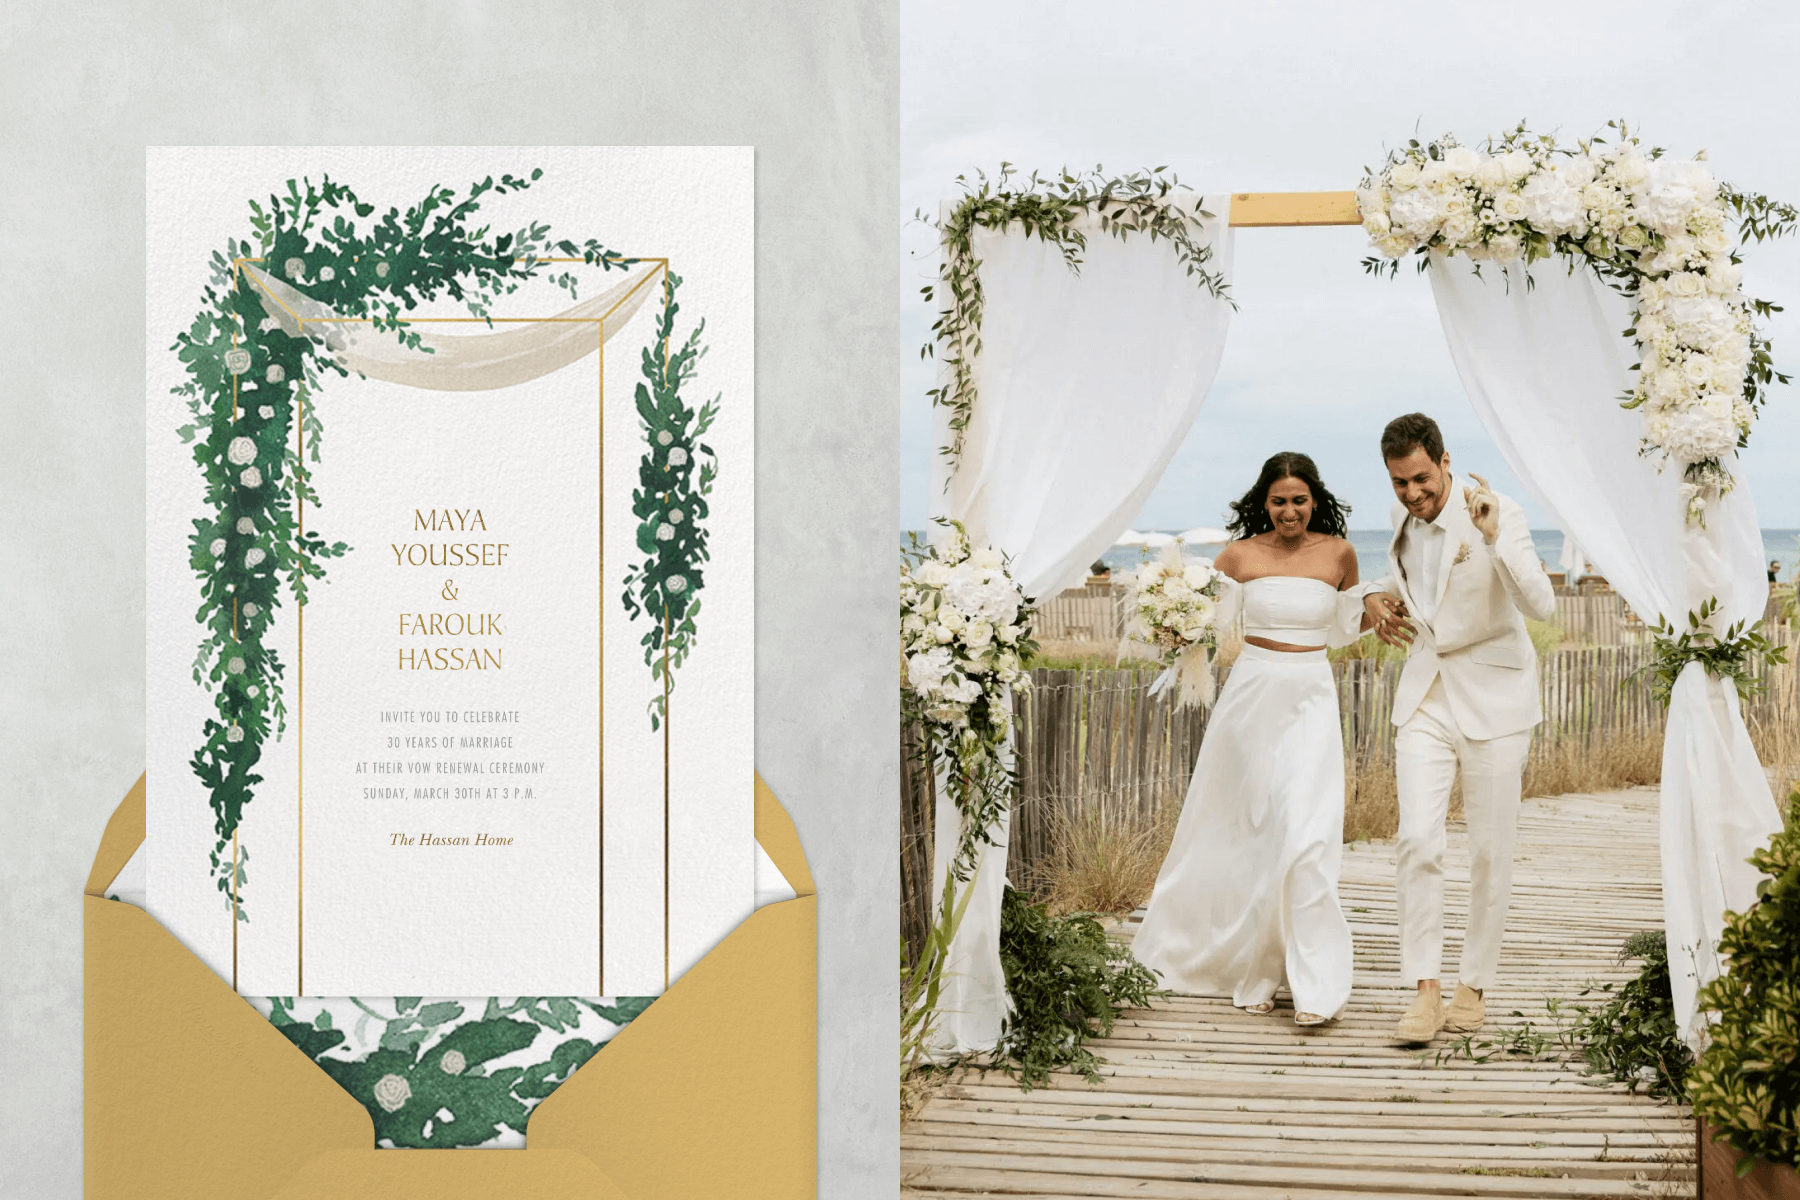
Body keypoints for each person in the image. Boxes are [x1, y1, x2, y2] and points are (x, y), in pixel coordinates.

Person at [1132, 452, 1371, 1026]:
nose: (1290, 511)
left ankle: (1315, 988)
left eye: (1299, 500)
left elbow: (1344, 628)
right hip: (1253, 698)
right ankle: (1255, 969)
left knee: (1309, 838)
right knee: (1258, 834)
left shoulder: (1339, 554)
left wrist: (1380, 605)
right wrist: (1173, 616)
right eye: (1279, 500)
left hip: (1312, 696)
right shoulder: (1238, 556)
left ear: (1315, 501)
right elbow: (1207, 623)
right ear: (1264, 502)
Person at [1360, 414, 1556, 1044]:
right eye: (1398, 484)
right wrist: (1371, 594)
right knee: (1417, 839)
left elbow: (1541, 605)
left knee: (1490, 851)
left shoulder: (1498, 513)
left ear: (1445, 460)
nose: (1412, 495)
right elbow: (1411, 585)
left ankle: (1473, 985)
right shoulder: (1401, 523)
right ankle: (1424, 990)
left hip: (1495, 698)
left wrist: (1494, 534)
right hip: (1425, 699)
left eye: (1421, 479)